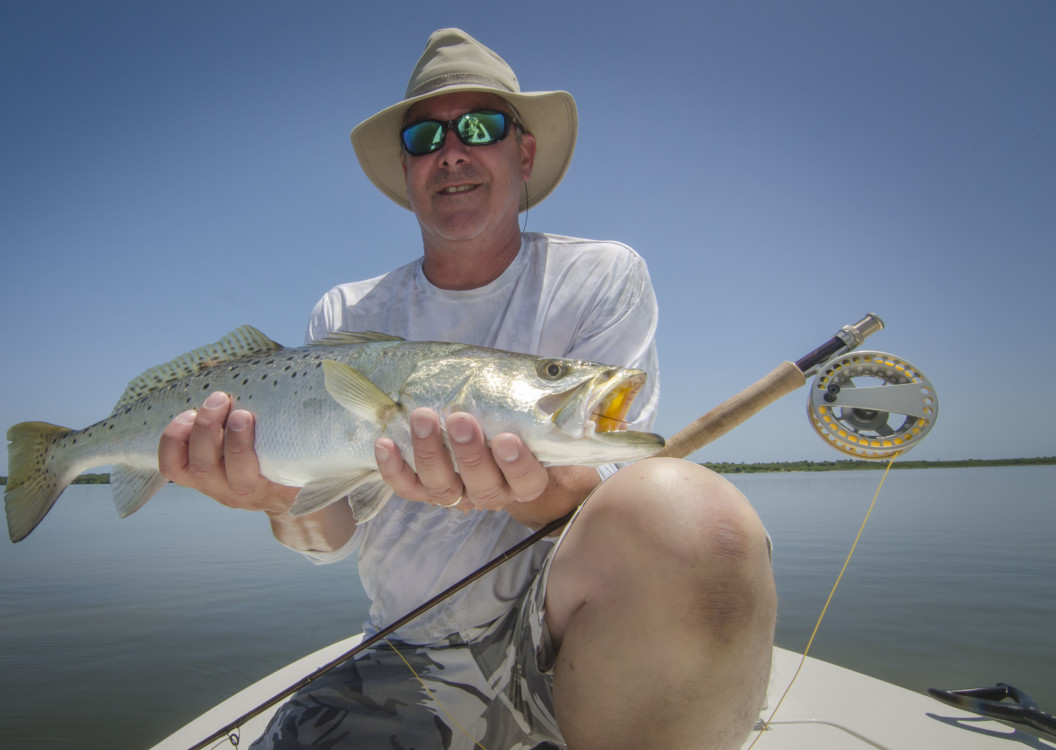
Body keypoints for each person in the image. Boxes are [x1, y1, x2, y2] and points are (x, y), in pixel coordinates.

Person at [158, 28, 776, 750]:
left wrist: (523, 489)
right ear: (408, 167)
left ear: (525, 151)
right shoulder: (345, 315)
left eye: (480, 127)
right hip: (404, 648)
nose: (452, 151)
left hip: (564, 632)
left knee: (695, 513)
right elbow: (327, 538)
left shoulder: (601, 277)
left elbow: (607, 495)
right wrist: (272, 495)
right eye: (426, 136)